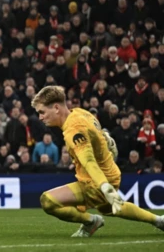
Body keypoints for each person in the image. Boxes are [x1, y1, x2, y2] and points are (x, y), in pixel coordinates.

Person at [32, 85, 164, 237]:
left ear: (56, 108)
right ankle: (159, 220)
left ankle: (90, 221)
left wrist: (104, 186)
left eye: (42, 112)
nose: (40, 117)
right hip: (109, 173)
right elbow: (98, 131)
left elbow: (88, 161)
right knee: (108, 208)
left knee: (47, 201)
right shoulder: (80, 112)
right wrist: (106, 139)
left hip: (96, 181)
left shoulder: (73, 129)